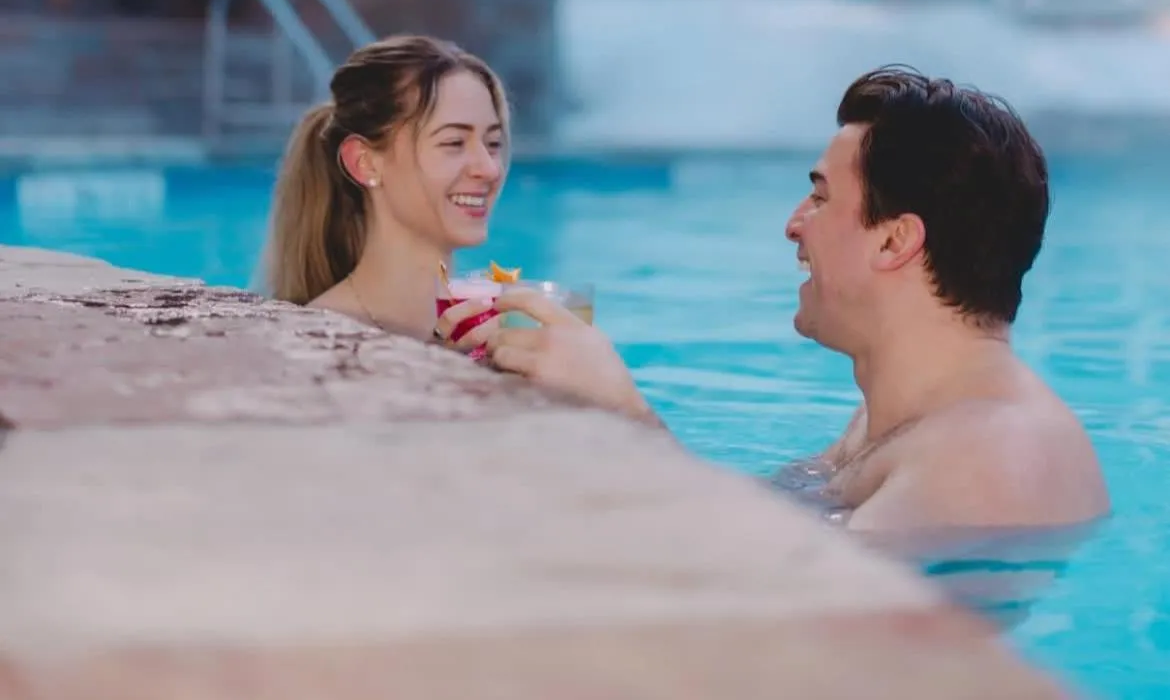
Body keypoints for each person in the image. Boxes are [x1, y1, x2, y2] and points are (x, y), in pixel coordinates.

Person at [465, 67, 1110, 537]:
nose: (795, 224)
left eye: (822, 198)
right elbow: (754, 524)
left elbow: (794, 625)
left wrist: (627, 417)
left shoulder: (989, 456)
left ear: (894, 240)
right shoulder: (895, 421)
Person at [264, 34, 509, 342]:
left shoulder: (488, 328)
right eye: (454, 143)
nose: (489, 168)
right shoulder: (320, 339)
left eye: (493, 144)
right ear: (365, 163)